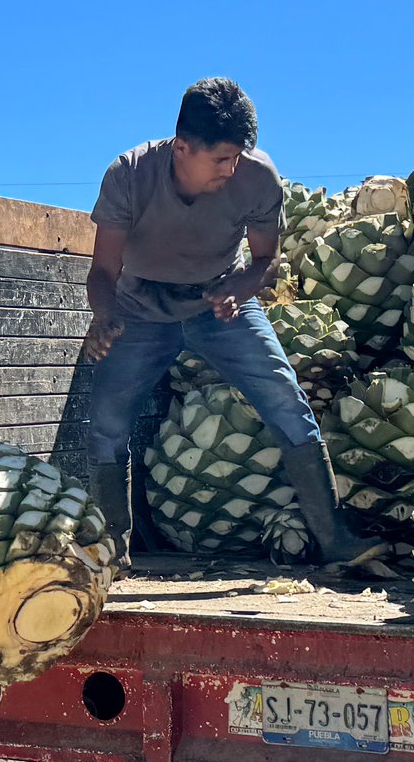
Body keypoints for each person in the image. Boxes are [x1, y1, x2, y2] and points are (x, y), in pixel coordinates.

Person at [74, 77, 382, 569]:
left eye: (238, 156)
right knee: (106, 424)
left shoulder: (258, 178)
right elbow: (103, 272)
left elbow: (266, 261)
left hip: (220, 302)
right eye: (220, 159)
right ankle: (114, 552)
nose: (231, 168)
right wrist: (105, 317)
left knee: (285, 397)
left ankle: (335, 539)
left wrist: (238, 290)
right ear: (181, 148)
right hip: (140, 308)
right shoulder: (128, 175)